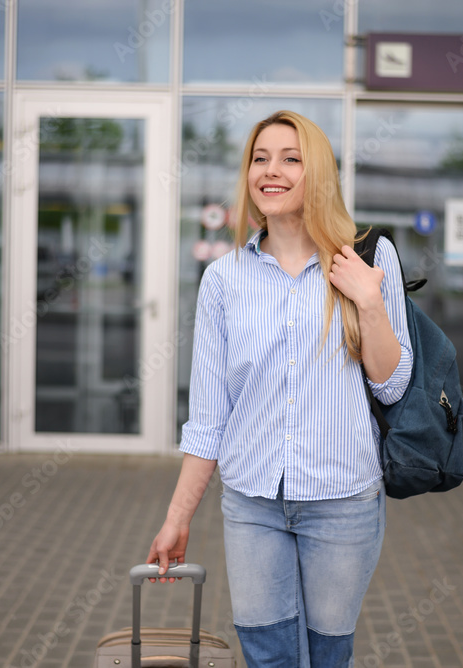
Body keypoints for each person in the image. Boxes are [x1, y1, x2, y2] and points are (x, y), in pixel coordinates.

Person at [146, 110, 412, 668]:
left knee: (326, 655)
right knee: (268, 655)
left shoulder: (368, 259)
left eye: (291, 158)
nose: (272, 171)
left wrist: (368, 301)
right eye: (260, 159)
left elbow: (392, 386)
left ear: (318, 173)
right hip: (252, 505)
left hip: (343, 502)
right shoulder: (223, 280)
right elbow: (209, 418)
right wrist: (177, 517)